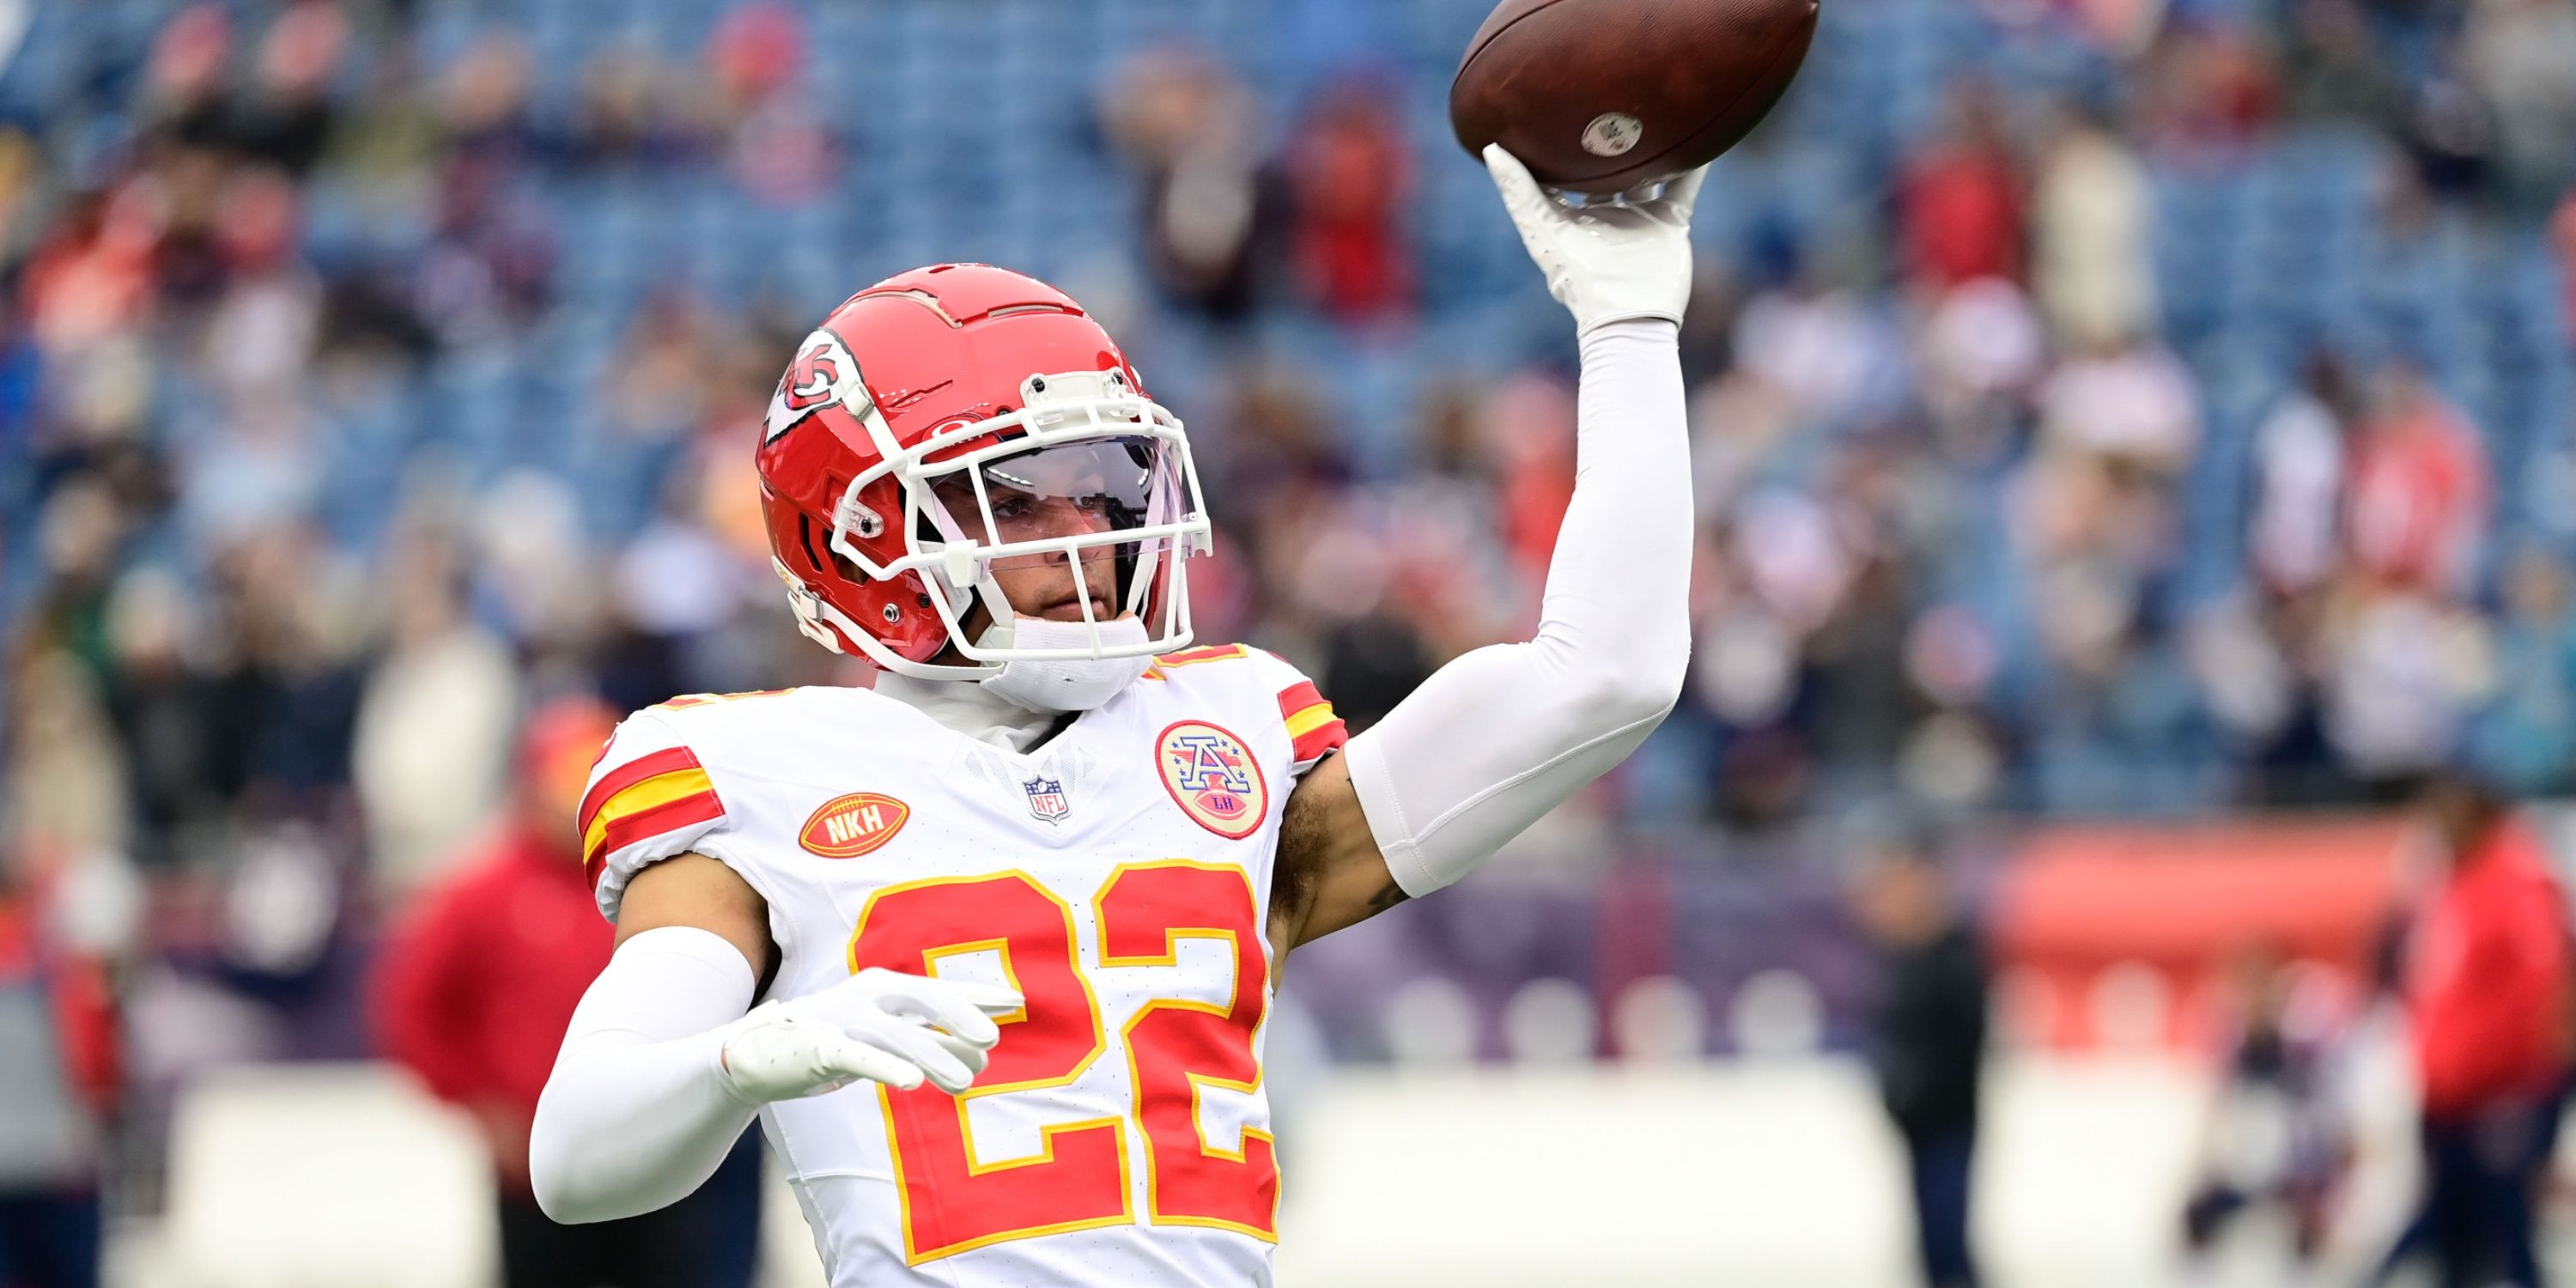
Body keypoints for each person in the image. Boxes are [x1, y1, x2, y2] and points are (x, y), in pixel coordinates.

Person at [523, 149, 1702, 1285]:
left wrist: (1629, 327)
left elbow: (1608, 675)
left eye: (1108, 485)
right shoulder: (752, 772)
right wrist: (745, 1062)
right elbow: (575, 1161)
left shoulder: (1229, 729)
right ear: (864, 537)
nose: (1089, 535)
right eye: (1022, 499)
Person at [374, 698, 763, 1288]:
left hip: (658, 1152)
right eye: (568, 777)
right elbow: (410, 1006)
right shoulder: (482, 891)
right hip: (538, 1168)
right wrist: (477, 1105)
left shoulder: (666, 877)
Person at [2392, 772, 2570, 1288]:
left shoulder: (2519, 883)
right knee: (2454, 1239)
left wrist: (2529, 1089)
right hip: (2448, 1097)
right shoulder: (2451, 883)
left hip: (2499, 1097)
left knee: (2507, 1233)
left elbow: (2550, 991)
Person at [1852, 825, 1988, 1288]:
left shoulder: (1951, 954)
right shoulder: (1906, 960)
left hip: (1947, 1120)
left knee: (1946, 1239)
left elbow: (1957, 1045)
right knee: (1932, 1241)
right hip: (1920, 1122)